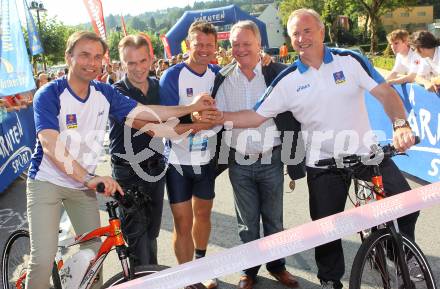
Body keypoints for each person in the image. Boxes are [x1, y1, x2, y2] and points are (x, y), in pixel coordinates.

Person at [205, 9, 418, 289]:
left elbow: (385, 93)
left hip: (366, 153)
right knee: (326, 230)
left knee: (407, 204)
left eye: (307, 31)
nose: (301, 38)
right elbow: (254, 116)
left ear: (321, 32)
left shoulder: (350, 60)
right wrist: (218, 117)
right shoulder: (287, 79)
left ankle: (397, 254)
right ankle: (330, 281)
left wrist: (401, 124)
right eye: (295, 33)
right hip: (323, 165)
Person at [25, 31, 216, 289]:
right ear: (68, 57)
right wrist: (89, 178)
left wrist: (190, 110)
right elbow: (50, 143)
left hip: (83, 185)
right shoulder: (49, 93)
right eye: (84, 55)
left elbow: (147, 115)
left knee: (95, 255)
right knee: (43, 259)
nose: (91, 63)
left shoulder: (104, 92)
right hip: (48, 181)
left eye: (96, 57)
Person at [109, 34, 214, 267]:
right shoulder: (116, 93)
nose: (138, 69)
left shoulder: (158, 86)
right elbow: (155, 129)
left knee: (151, 235)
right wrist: (197, 123)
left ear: (152, 59)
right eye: (131, 63)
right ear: (121, 64)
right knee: (138, 241)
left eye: (143, 61)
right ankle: (147, 280)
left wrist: (198, 116)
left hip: (156, 169)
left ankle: (151, 278)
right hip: (128, 174)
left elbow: (177, 120)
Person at [213, 20, 300, 289]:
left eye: (246, 44)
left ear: (259, 44)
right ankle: (249, 272)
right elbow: (218, 120)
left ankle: (277, 267)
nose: (239, 49)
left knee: (274, 220)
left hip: (271, 159)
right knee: (247, 224)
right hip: (239, 161)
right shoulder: (224, 78)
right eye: (235, 44)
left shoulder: (275, 74)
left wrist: (294, 158)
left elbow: (295, 112)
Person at [159, 21, 221, 289]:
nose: (204, 49)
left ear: (216, 47)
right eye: (199, 44)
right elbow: (166, 123)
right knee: (182, 222)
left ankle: (201, 265)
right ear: (188, 45)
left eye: (209, 45)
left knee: (204, 215)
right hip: (178, 162)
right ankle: (186, 277)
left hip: (206, 160)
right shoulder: (172, 76)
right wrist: (195, 119)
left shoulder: (219, 74)